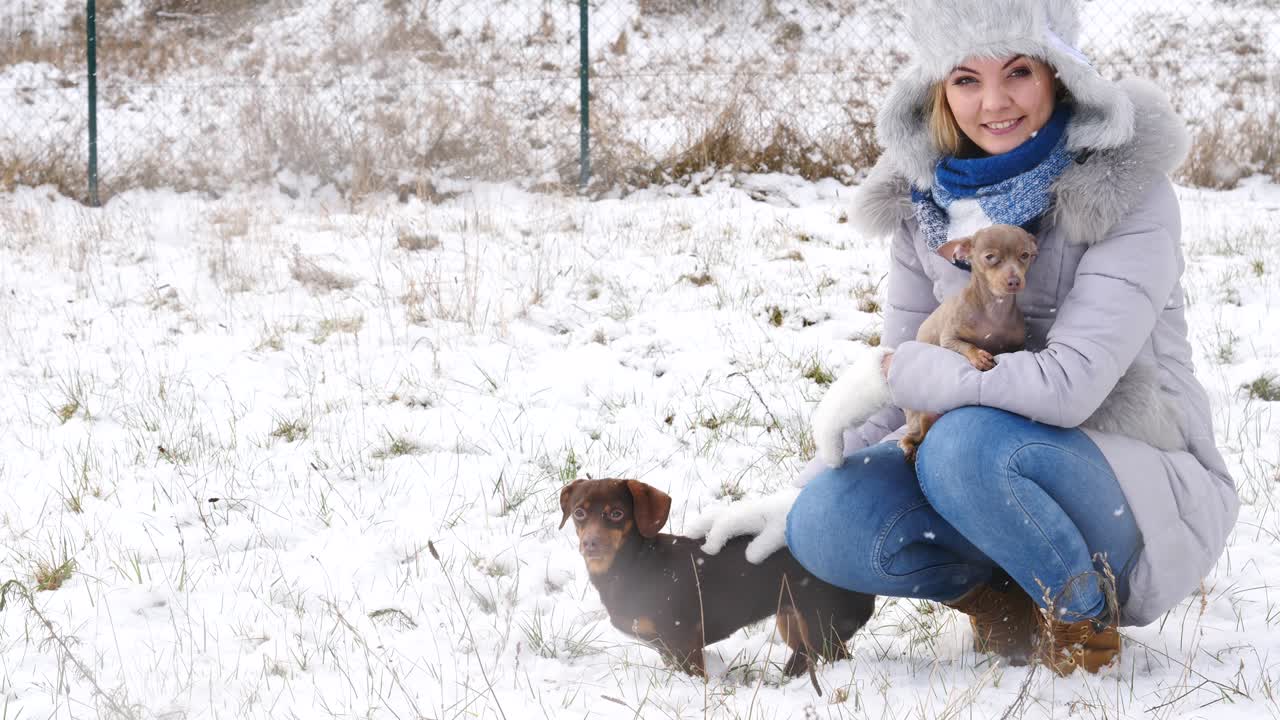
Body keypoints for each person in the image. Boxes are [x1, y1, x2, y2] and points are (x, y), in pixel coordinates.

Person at [697, 0, 1240, 676]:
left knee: (962, 443)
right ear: (937, 90)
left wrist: (907, 371)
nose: (994, 102)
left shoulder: (1122, 188)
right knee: (829, 517)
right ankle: (1006, 600)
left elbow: (1067, 388)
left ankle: (1080, 616)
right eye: (965, 79)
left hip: (1133, 486)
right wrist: (798, 502)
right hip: (990, 478)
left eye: (1018, 71)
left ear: (1059, 76)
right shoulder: (923, 205)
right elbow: (901, 399)